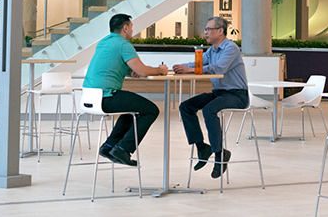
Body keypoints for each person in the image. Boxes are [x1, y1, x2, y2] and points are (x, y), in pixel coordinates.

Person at [83, 13, 168, 166]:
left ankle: (108, 146)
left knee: (133, 111)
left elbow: (112, 64)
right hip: (106, 97)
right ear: (125, 27)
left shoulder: (103, 42)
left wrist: (130, 71)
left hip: (89, 97)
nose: (132, 30)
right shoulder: (124, 44)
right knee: (151, 110)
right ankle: (123, 149)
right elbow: (143, 71)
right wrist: (161, 70)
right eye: (131, 27)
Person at [173, 16, 249, 179]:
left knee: (209, 110)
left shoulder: (230, 48)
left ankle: (219, 154)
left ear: (220, 31)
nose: (205, 32)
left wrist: (189, 70)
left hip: (237, 95)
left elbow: (218, 67)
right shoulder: (212, 50)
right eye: (206, 29)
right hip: (220, 93)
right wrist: (183, 67)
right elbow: (199, 64)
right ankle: (202, 147)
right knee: (186, 107)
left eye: (209, 29)